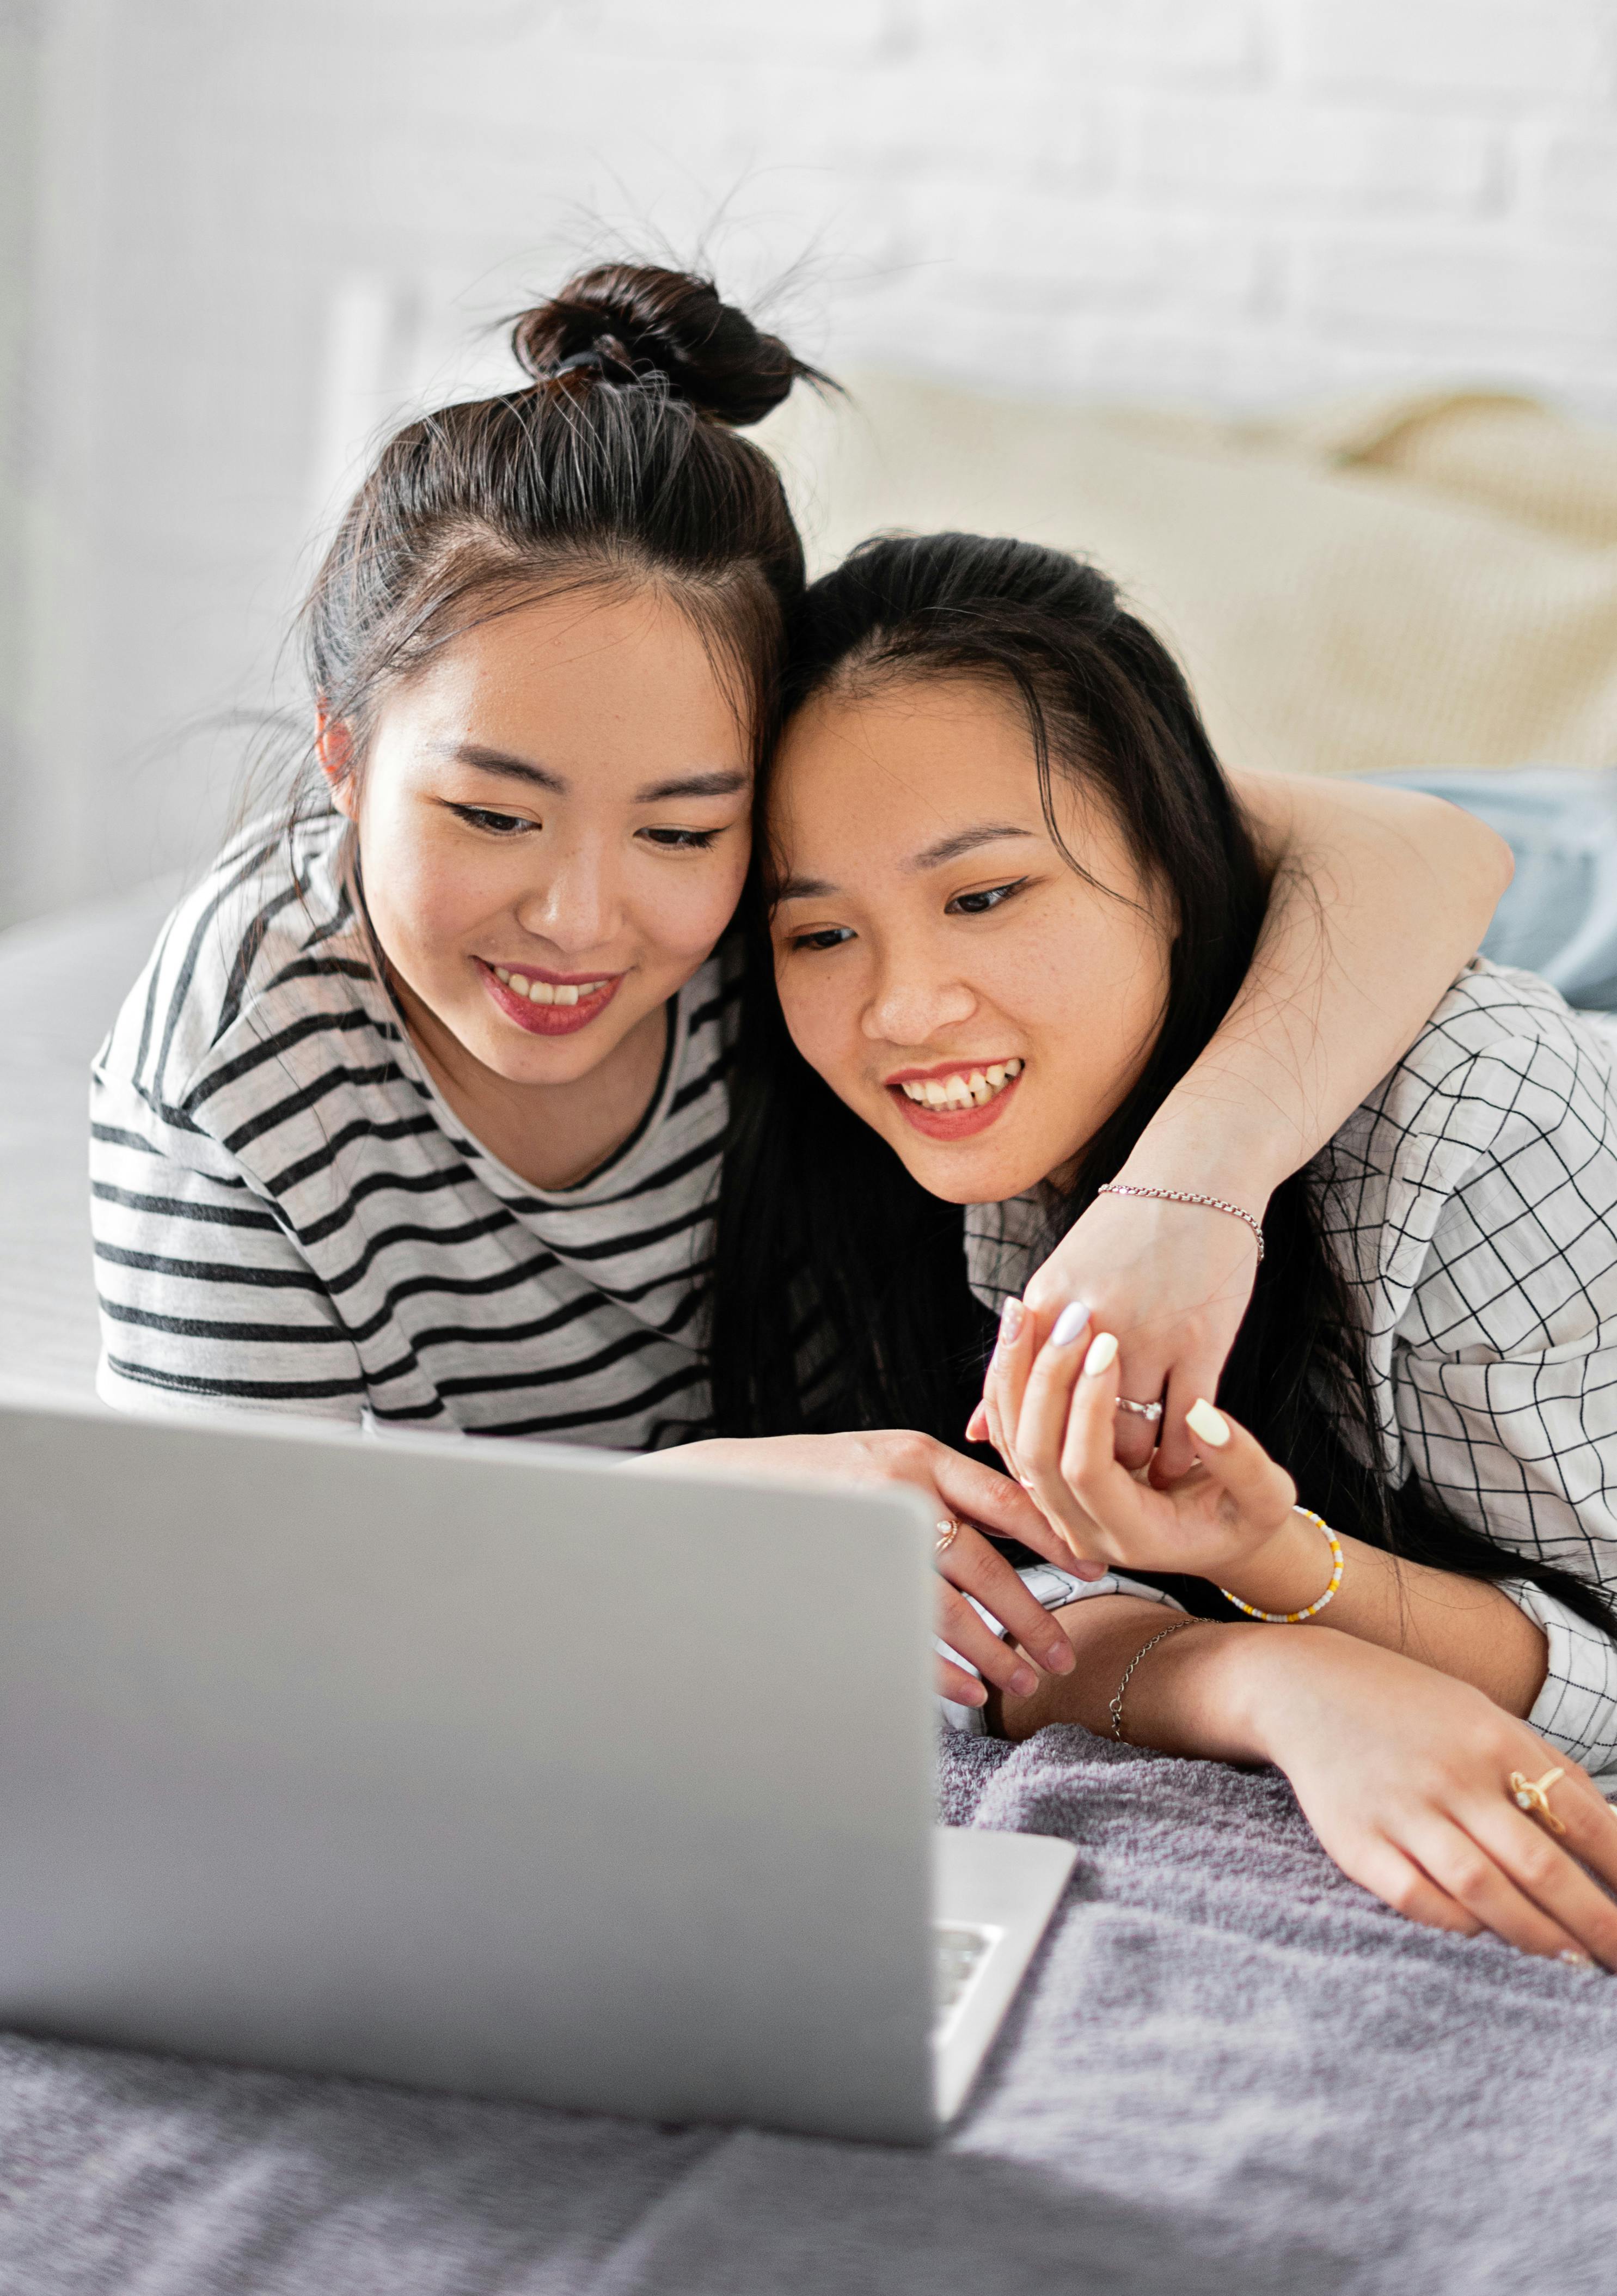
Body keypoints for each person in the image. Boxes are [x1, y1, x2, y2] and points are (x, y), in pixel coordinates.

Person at [93, 265, 1504, 1719]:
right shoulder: (235, 1065)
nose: (579, 923)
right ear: (340, 756)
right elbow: (226, 1616)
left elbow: (1420, 841)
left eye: (682, 830)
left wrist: (1184, 1199)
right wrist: (707, 1517)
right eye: (492, 815)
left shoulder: (821, 886)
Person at [718, 527, 1617, 1967]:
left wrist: (1284, 1564)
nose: (900, 1008)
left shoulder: (1471, 1110)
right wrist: (1257, 1663)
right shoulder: (846, 1135)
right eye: (817, 933)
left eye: (984, 895)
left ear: (1182, 860)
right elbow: (995, 1627)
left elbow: (1610, 1680)